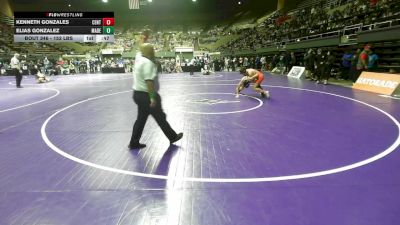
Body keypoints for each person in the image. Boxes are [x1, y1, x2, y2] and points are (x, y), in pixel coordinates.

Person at [128, 43, 183, 150]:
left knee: (141, 119)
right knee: (160, 117)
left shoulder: (139, 59)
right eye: (152, 49)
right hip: (147, 96)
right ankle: (172, 137)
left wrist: (143, 40)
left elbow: (140, 50)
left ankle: (134, 142)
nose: (154, 51)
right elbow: (149, 82)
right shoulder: (148, 63)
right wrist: (152, 98)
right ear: (149, 52)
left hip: (137, 94)